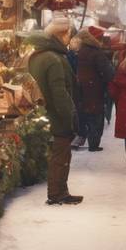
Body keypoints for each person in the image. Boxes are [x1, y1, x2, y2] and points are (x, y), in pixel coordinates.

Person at [28, 18, 82, 205]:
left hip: (44, 114)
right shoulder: (55, 59)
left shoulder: (38, 55)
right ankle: (58, 193)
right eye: (68, 34)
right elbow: (60, 93)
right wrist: (71, 117)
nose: (70, 38)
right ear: (61, 34)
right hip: (56, 116)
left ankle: (59, 191)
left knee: (58, 156)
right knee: (61, 156)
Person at [76, 27, 114, 152]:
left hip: (81, 88)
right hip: (95, 89)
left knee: (84, 113)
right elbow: (107, 72)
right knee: (96, 115)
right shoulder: (96, 53)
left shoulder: (81, 51)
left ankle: (82, 136)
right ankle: (94, 143)